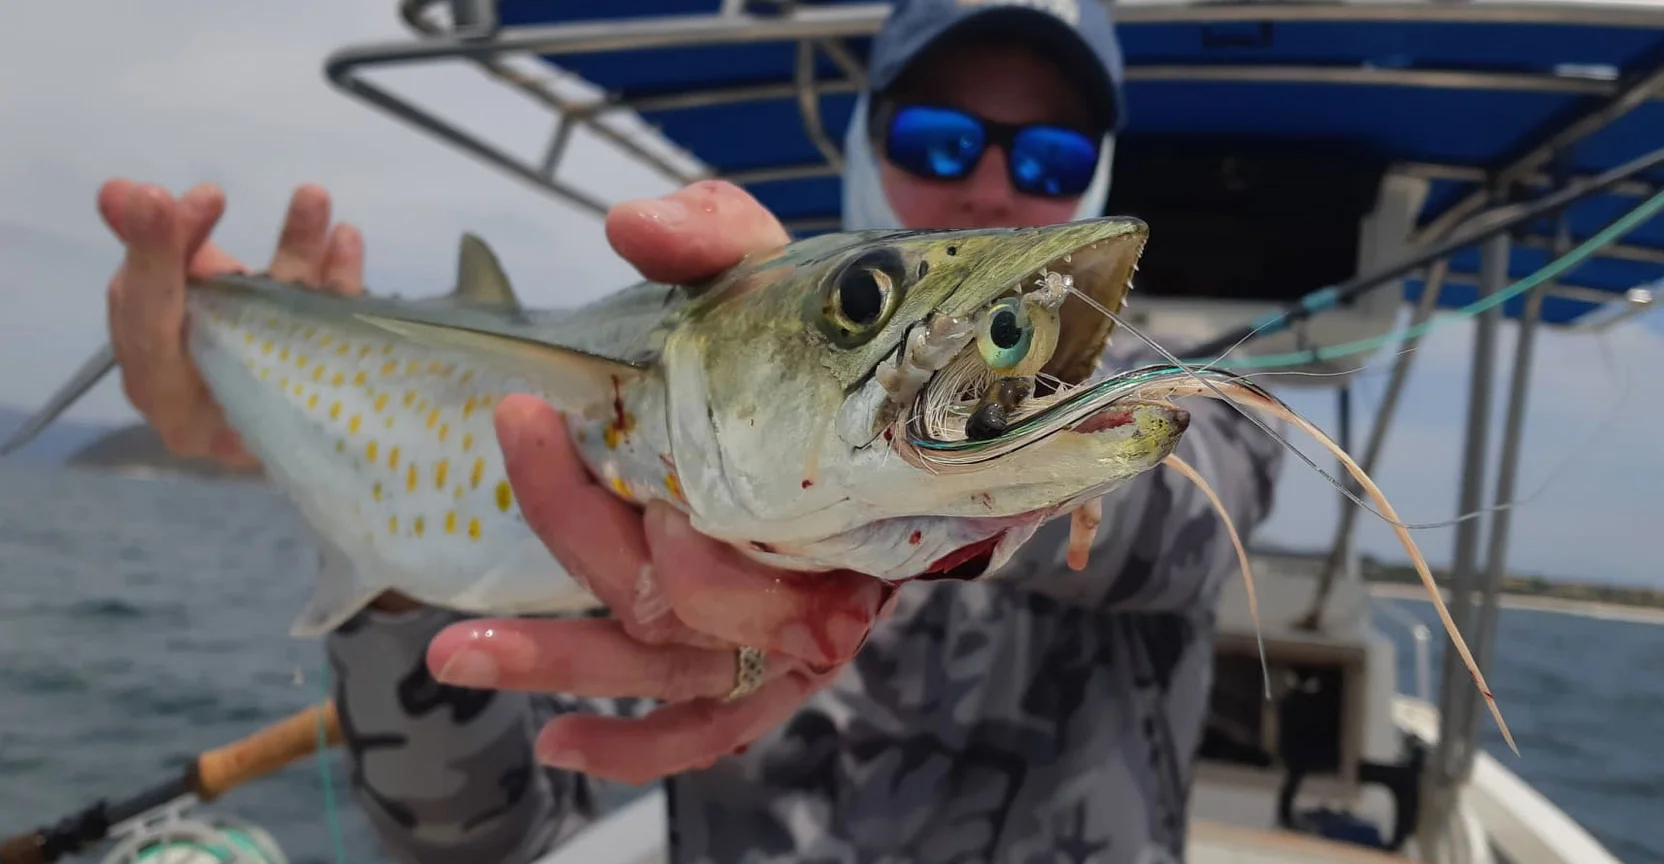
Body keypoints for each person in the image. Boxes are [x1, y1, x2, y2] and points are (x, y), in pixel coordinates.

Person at [96, 0, 1285, 861]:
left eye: (1047, 154)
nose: (986, 188)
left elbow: (1195, 485)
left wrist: (956, 524)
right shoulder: (656, 497)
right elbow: (468, 834)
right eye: (935, 139)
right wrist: (396, 567)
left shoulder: (1160, 395)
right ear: (868, 144)